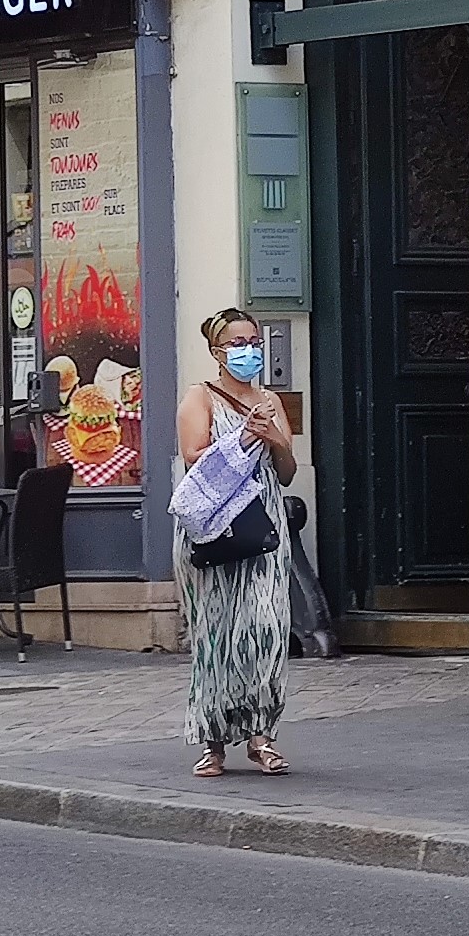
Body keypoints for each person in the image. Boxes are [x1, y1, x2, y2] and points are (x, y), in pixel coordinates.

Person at [177, 308, 297, 777]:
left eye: (254, 342)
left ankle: (262, 736)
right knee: (218, 635)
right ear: (217, 352)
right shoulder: (200, 397)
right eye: (237, 344)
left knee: (266, 629)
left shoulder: (270, 400)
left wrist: (275, 439)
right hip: (218, 527)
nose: (249, 350)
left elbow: (286, 473)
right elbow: (194, 460)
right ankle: (213, 742)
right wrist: (244, 438)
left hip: (264, 526)